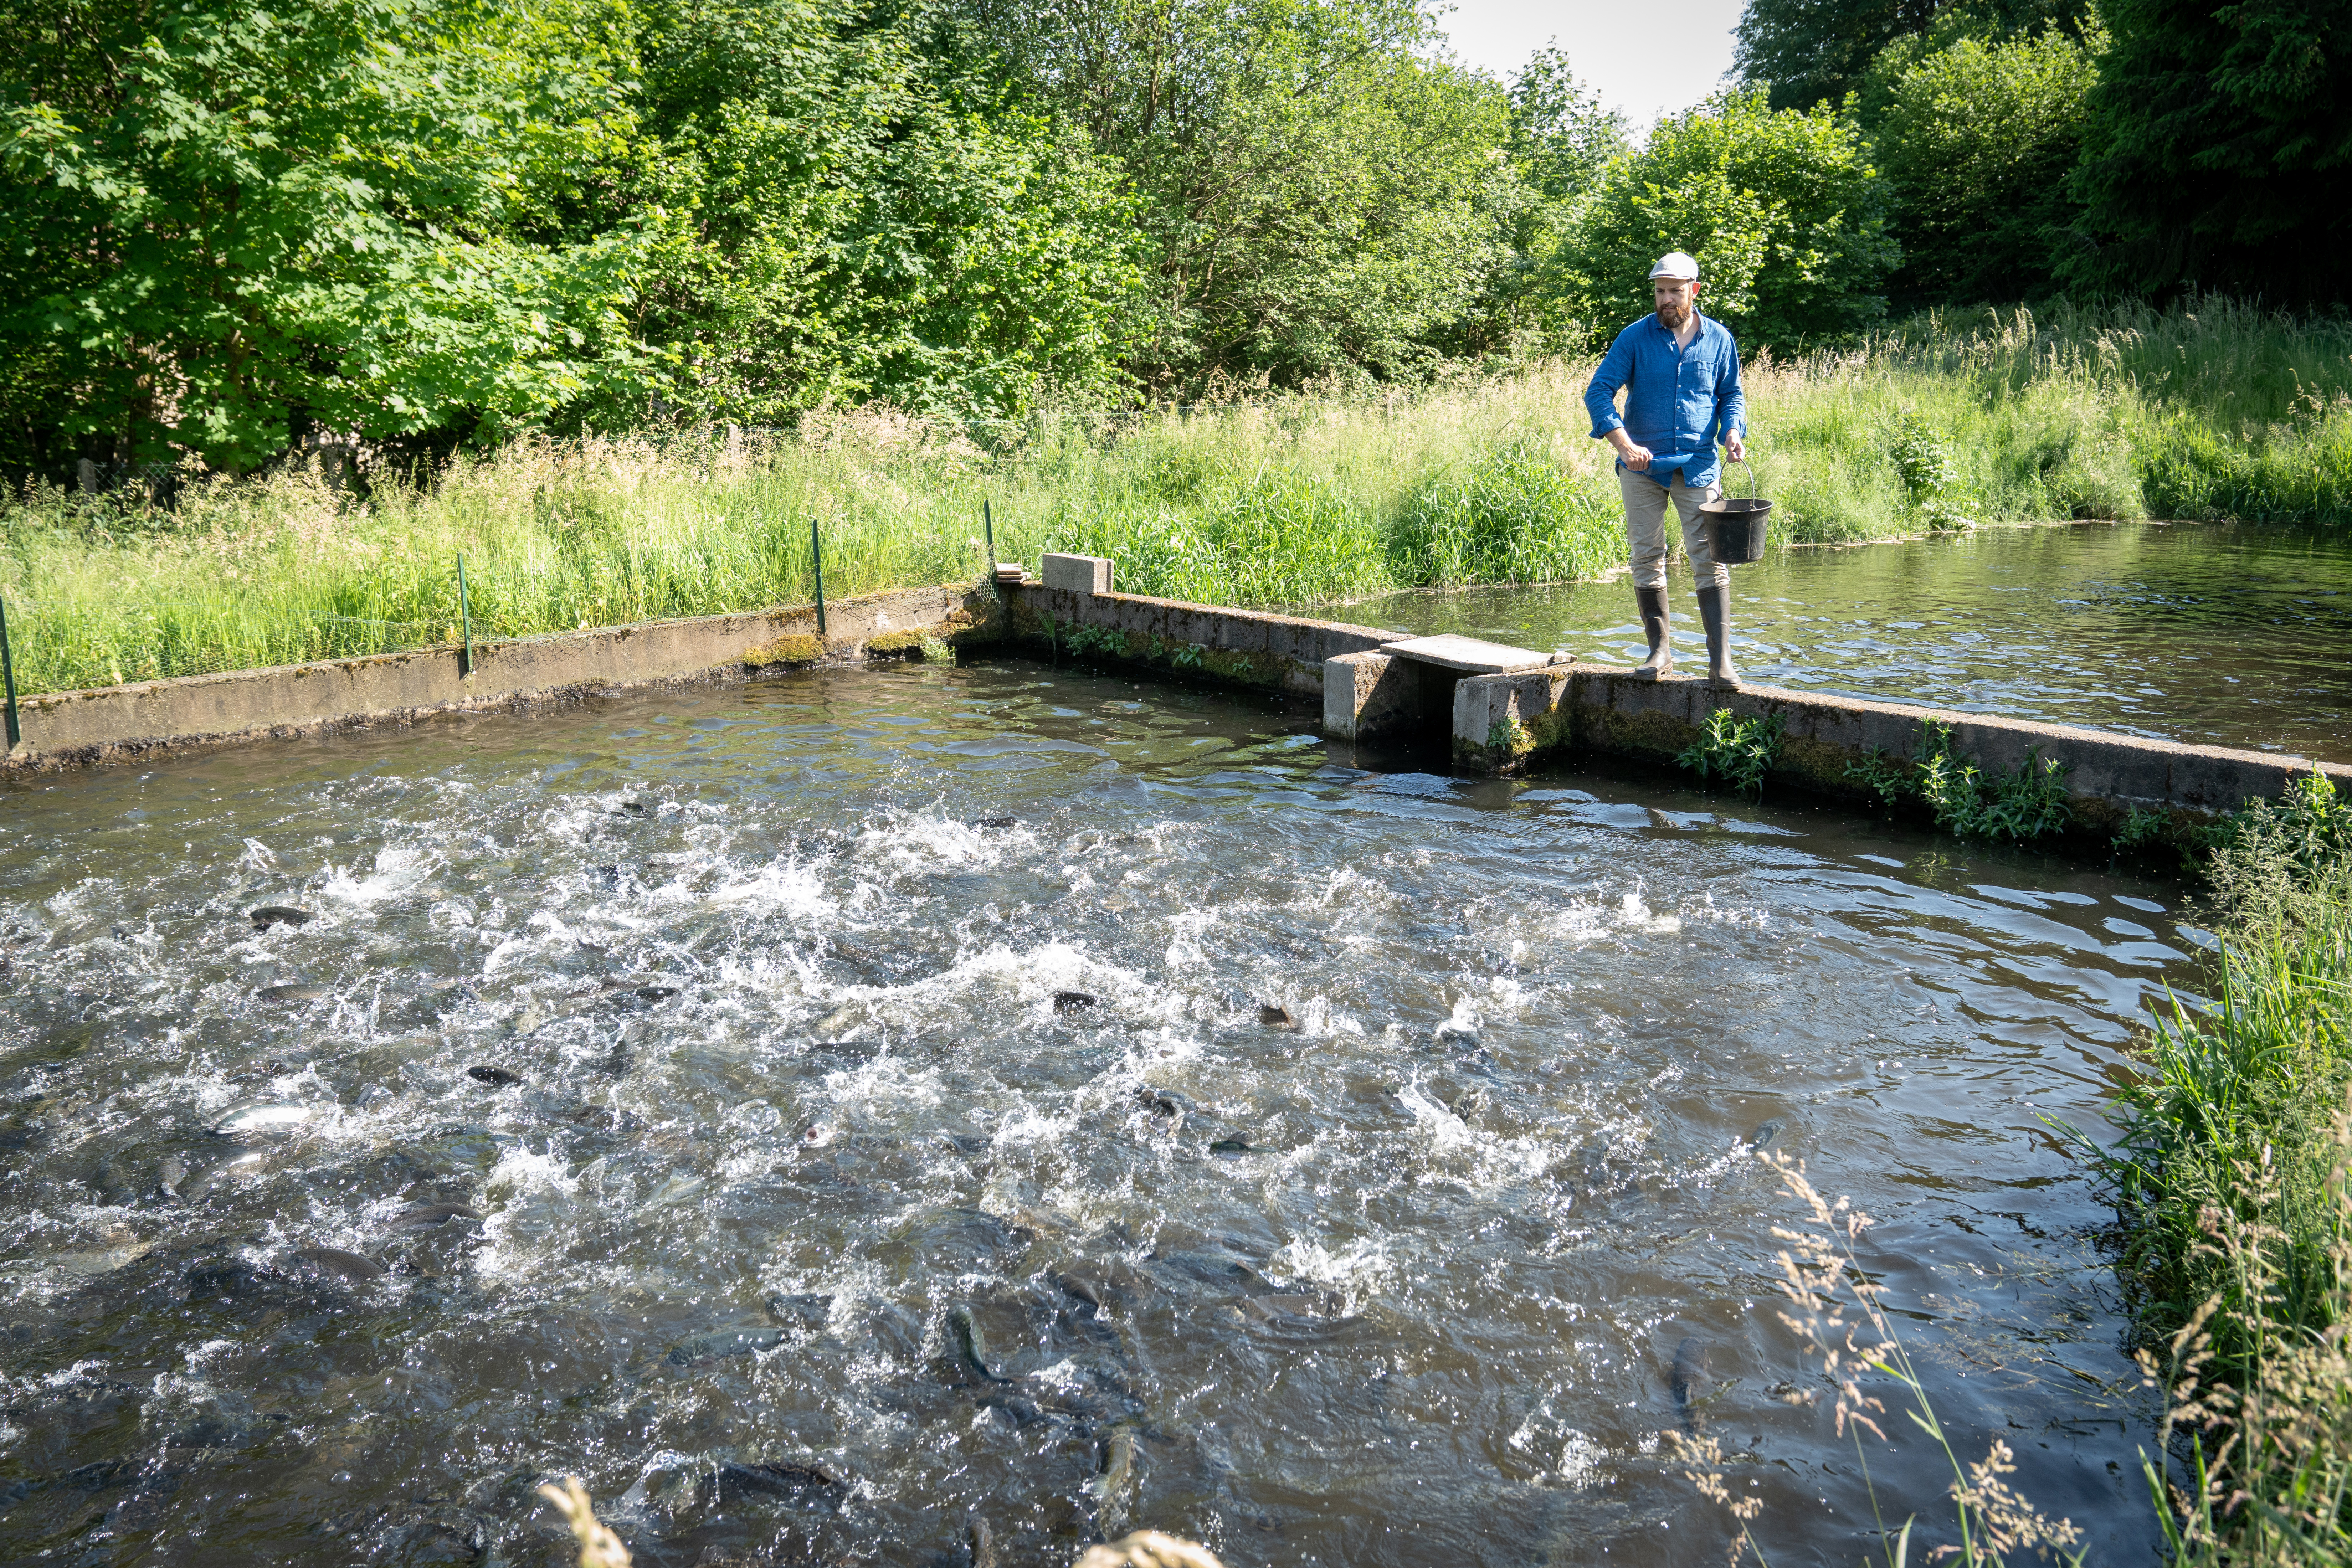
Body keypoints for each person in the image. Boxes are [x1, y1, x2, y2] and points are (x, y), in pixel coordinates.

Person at [1582, 251, 1748, 685]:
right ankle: (1660, 654)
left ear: (1693, 291)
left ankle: (1721, 663)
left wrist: (1732, 431)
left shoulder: (1718, 339)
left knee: (1711, 560)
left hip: (1698, 466)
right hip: (1642, 470)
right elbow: (1598, 391)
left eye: (1675, 291)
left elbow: (1731, 394)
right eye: (1660, 292)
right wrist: (1623, 443)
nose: (1666, 300)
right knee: (1646, 556)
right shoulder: (1634, 338)